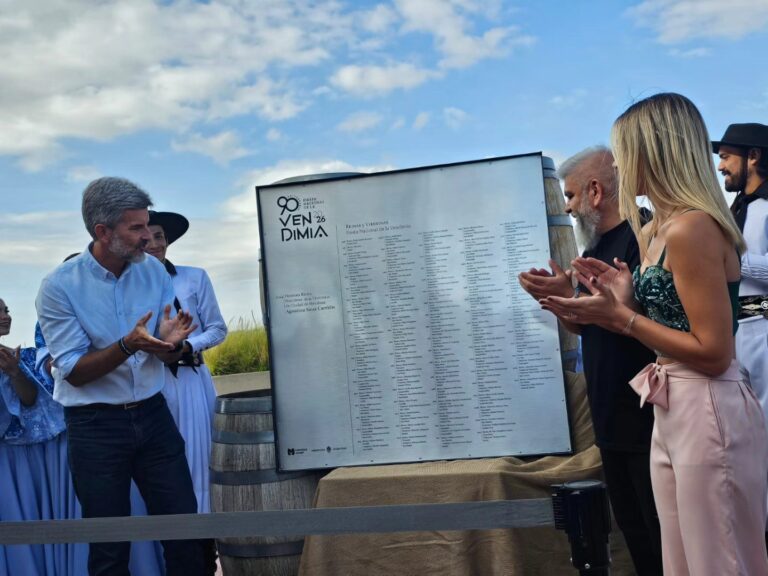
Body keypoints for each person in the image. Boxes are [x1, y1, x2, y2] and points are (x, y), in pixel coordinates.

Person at [540, 93, 768, 575]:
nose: (621, 164)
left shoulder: (691, 228)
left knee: (716, 561)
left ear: (655, 150)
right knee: (679, 560)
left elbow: (712, 352)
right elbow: (672, 324)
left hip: (705, 404)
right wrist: (626, 300)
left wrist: (622, 317)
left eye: (626, 150)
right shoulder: (662, 229)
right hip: (673, 402)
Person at [35, 177, 206, 576]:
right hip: (95, 425)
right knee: (110, 545)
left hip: (153, 413)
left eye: (148, 226)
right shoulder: (58, 287)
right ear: (102, 232)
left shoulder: (154, 273)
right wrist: (129, 345)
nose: (149, 238)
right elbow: (74, 372)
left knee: (185, 531)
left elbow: (163, 348)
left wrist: (170, 345)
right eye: (137, 228)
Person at [519, 146, 662, 575]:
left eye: (570, 195)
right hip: (610, 421)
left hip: (649, 420)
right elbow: (596, 328)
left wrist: (606, 308)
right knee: (636, 540)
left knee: (663, 544)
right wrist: (565, 300)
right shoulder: (597, 244)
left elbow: (649, 325)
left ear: (595, 191)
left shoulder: (647, 236)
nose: (566, 206)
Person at [145, 210, 227, 575]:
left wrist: (187, 345)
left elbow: (218, 328)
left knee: (197, 463)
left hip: (191, 381)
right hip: (151, 383)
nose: (155, 244)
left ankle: (204, 555)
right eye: (146, 237)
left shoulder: (194, 278)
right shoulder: (127, 284)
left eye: (160, 236)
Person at [0, 299, 88, 576]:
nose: (7, 315)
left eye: (7, 310)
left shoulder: (15, 356)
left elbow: (28, 400)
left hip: (13, 454)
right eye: (0, 311)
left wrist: (14, 373)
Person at [713, 123, 768, 546]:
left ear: (754, 157)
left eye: (727, 156)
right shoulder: (735, 209)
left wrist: (732, 261)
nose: (720, 164)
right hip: (732, 335)